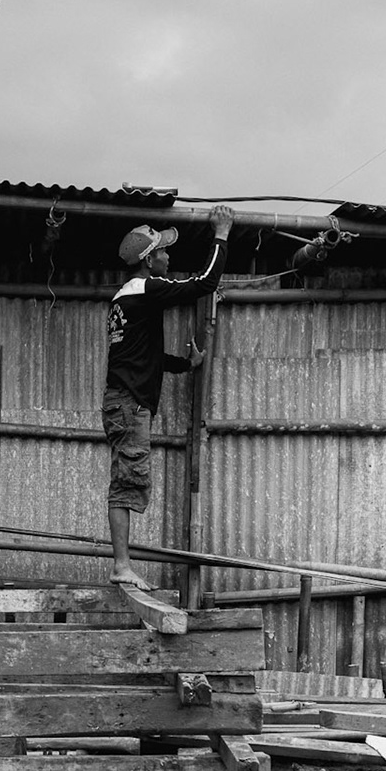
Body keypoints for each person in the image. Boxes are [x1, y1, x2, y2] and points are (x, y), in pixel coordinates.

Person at [103, 203, 233, 588]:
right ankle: (122, 567)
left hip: (122, 401)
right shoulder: (145, 289)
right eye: (162, 251)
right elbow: (204, 284)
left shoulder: (124, 298)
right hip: (128, 405)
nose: (167, 256)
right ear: (148, 260)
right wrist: (221, 234)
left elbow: (143, 356)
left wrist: (183, 364)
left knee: (128, 479)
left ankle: (123, 564)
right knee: (126, 482)